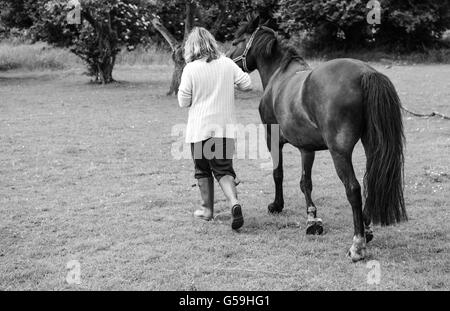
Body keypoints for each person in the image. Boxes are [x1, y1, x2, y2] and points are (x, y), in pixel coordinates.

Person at [178, 27, 252, 230]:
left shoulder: (191, 69)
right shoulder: (227, 64)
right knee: (223, 169)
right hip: (224, 130)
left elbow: (183, 101)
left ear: (191, 47)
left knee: (202, 170)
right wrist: (228, 84)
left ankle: (207, 210)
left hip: (200, 129)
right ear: (211, 43)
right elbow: (247, 83)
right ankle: (233, 202)